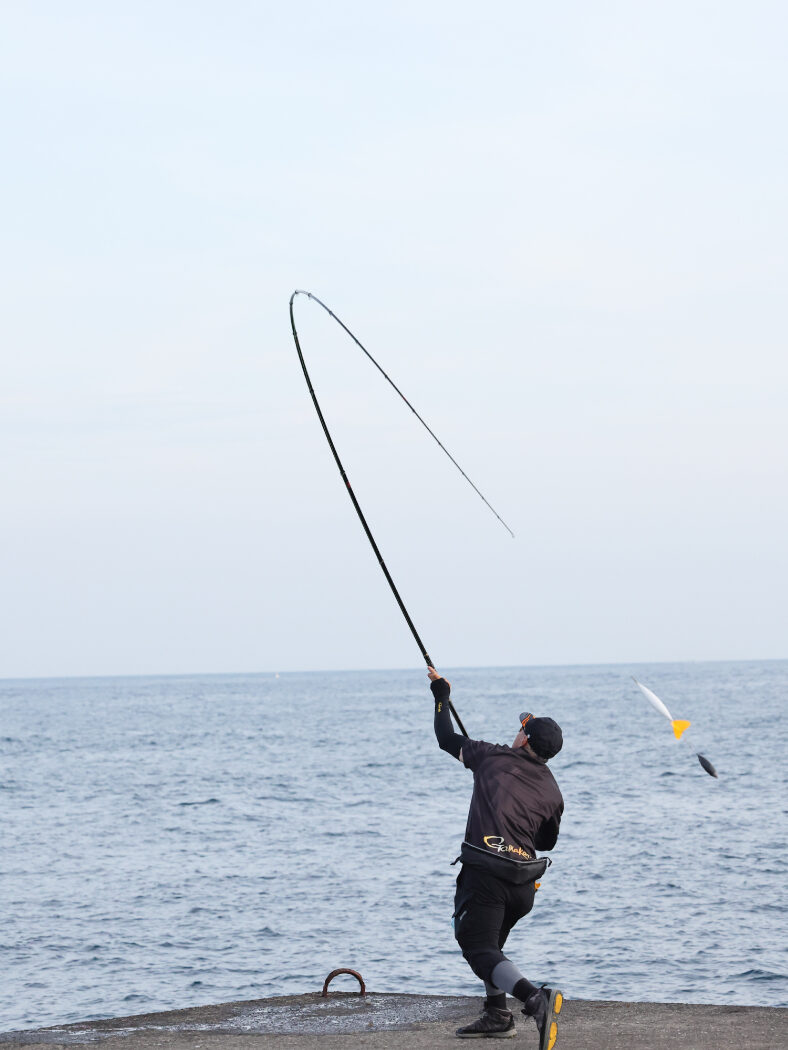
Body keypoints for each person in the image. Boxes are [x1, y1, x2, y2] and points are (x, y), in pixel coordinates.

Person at [429, 667, 565, 1047]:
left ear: (525, 739)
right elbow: (547, 842)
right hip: (523, 887)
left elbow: (445, 738)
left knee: (478, 948)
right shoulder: (552, 791)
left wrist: (441, 696)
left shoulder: (491, 757)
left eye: (522, 729)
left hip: (487, 876)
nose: (517, 732)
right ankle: (497, 1014)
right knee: (492, 949)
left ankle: (534, 999)